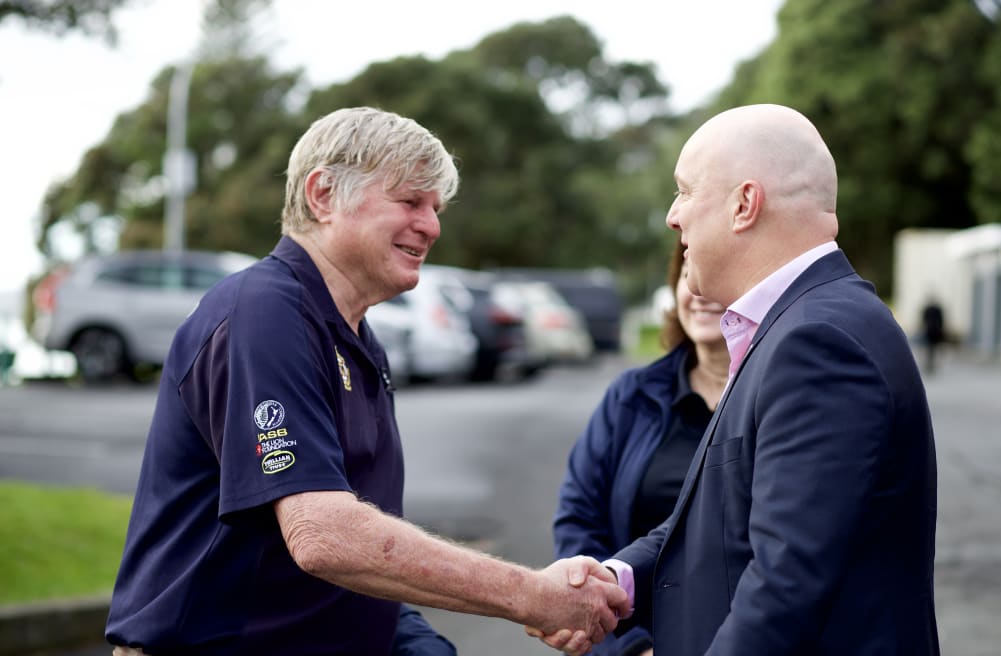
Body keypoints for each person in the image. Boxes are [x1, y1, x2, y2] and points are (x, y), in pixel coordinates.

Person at [105, 107, 628, 656]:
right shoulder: (264, 314)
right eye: (409, 201)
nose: (431, 225)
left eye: (435, 207)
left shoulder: (352, 335)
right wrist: (533, 596)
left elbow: (343, 571)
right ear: (323, 195)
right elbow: (324, 537)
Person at [533, 104, 940, 654]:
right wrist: (617, 580)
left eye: (684, 191)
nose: (673, 217)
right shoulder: (800, 323)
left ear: (744, 204)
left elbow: (784, 587)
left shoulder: (817, 341)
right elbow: (724, 522)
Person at [551, 238, 730, 656]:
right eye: (686, 274)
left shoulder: (774, 400)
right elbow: (580, 519)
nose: (698, 290)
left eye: (710, 272)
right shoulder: (632, 396)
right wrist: (630, 646)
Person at [920, 296, 946, 373]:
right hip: (933, 331)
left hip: (932, 331)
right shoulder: (934, 309)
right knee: (931, 349)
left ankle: (930, 364)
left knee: (931, 349)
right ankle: (930, 364)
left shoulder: (930, 309)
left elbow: (924, 320)